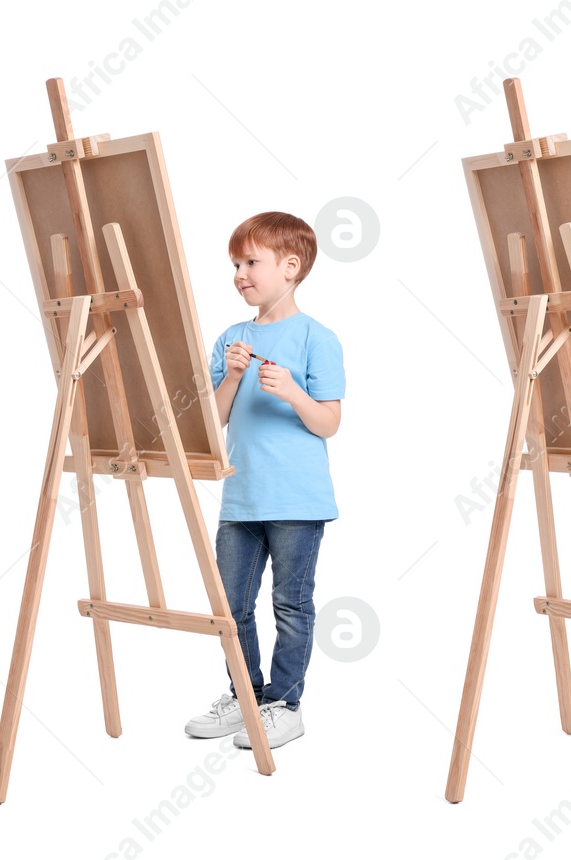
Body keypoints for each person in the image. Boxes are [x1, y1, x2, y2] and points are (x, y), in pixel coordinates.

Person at [183, 212, 345, 750]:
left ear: (291, 267)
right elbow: (213, 421)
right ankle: (245, 697)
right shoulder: (231, 338)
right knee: (231, 606)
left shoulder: (317, 338)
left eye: (252, 262)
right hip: (241, 496)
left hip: (297, 501)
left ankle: (285, 705)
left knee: (290, 605)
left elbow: (329, 422)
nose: (240, 273)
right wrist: (230, 376)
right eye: (236, 263)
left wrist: (293, 393)